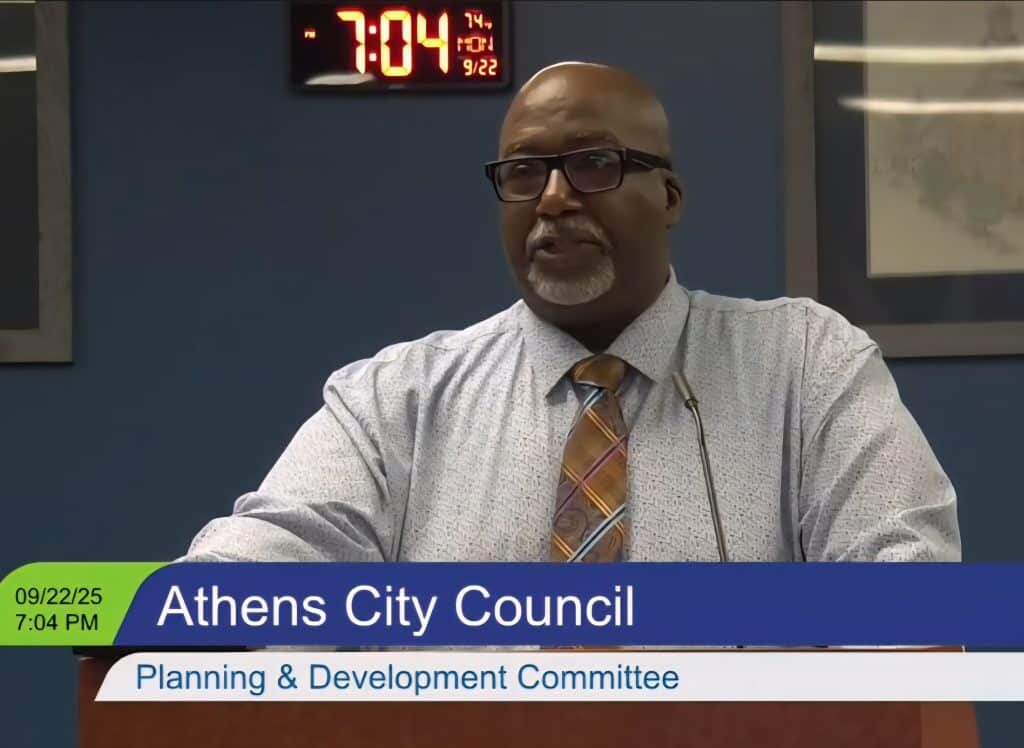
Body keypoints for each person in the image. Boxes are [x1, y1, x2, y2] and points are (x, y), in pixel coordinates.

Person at [185, 62, 960, 564]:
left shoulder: (806, 366)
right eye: (525, 171)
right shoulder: (397, 399)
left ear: (668, 197)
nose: (553, 199)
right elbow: (272, 551)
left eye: (594, 163)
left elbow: (905, 578)